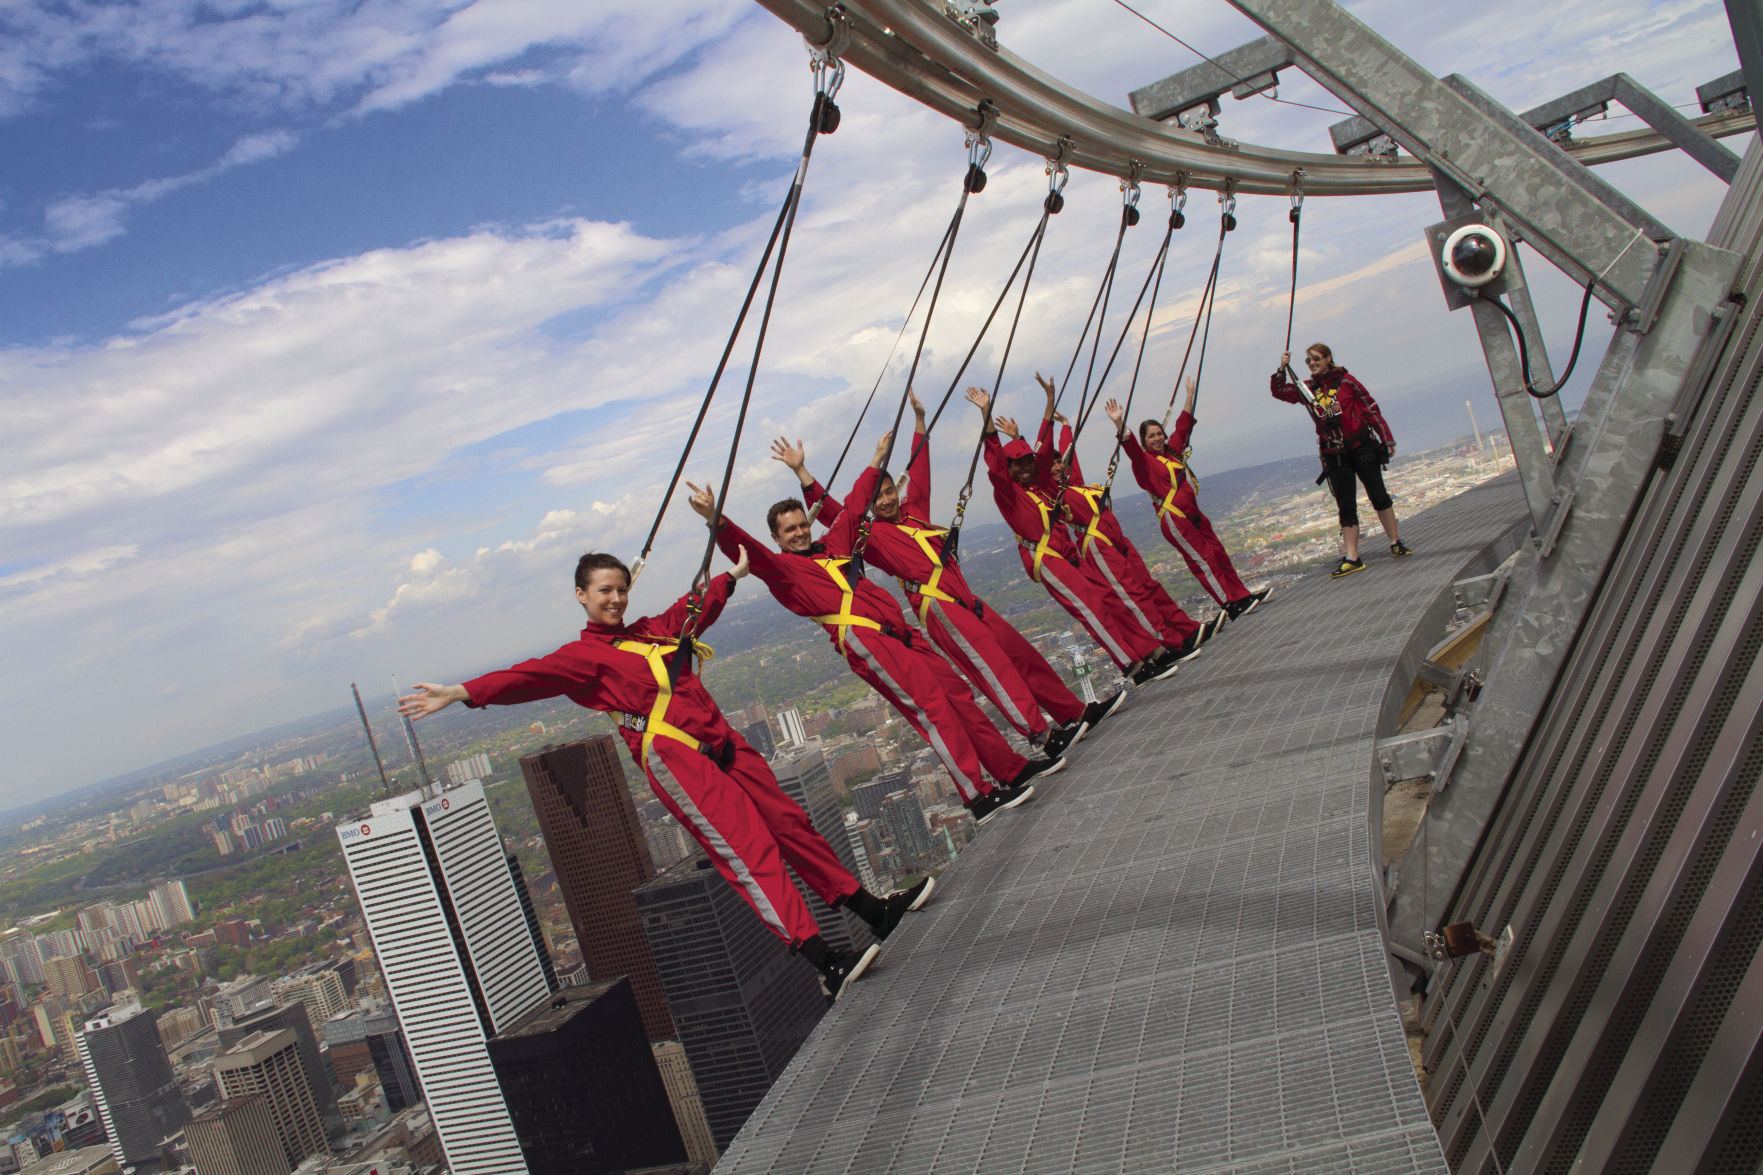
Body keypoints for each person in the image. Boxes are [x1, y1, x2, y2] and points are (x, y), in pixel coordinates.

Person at [397, 549, 929, 999]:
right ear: (581, 596)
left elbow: (693, 610)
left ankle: (869, 909)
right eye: (604, 591)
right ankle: (822, 959)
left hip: (724, 743)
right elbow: (528, 676)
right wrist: (463, 692)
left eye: (620, 590)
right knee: (748, 851)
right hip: (678, 758)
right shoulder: (584, 657)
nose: (615, 599)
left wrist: (731, 576)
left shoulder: (652, 632)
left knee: (791, 825)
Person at [687, 443, 1061, 827]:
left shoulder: (833, 546)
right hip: (866, 640)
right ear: (777, 538)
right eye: (790, 530)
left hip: (900, 633)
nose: (799, 533)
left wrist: (874, 461)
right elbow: (746, 549)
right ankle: (977, 794)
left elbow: (853, 507)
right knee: (932, 708)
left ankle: (1009, 769)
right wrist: (716, 519)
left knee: (957, 695)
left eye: (802, 525)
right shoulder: (783, 571)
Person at [773, 393, 1123, 757]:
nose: (887, 501)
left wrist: (920, 420)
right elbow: (837, 512)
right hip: (938, 605)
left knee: (1021, 655)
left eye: (890, 492)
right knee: (995, 669)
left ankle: (1073, 712)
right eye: (879, 498)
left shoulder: (916, 513)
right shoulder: (872, 535)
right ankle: (1042, 736)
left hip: (967, 601)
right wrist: (803, 473)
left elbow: (921, 467)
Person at [965, 385, 1181, 688]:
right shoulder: (1008, 493)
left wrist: (1039, 416)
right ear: (1010, 469)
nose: (1027, 468)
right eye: (1019, 464)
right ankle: (1132, 665)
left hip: (1065, 553)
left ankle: (1149, 649)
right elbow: (996, 461)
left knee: (1109, 599)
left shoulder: (1037, 487)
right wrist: (987, 413)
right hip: (1046, 557)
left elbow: (1041, 454)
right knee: (1093, 607)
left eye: (1028, 463)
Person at [1022, 375, 1207, 660]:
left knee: (1148, 586)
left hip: (1116, 540)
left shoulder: (1075, 483)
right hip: (1096, 544)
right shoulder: (1051, 490)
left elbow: (1071, 454)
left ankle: (1184, 628)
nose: (1059, 467)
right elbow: (1043, 455)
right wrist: (1047, 411)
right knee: (1134, 595)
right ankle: (1165, 641)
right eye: (1054, 464)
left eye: (1061, 463)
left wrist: (1067, 426)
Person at [1105, 377, 1266, 619]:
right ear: (1145, 441)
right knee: (1204, 560)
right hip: (1175, 518)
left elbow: (1182, 427)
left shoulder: (1172, 453)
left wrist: (1189, 395)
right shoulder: (1145, 463)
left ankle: (1240, 594)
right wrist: (1119, 423)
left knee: (1217, 553)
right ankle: (1229, 603)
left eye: (1159, 434)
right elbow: (1132, 450)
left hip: (1193, 515)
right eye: (1151, 436)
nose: (1158, 439)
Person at [1272, 344, 1411, 578]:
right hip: (1334, 454)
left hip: (1362, 447)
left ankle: (1395, 542)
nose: (1311, 363)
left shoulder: (1348, 382)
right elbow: (1280, 392)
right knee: (1346, 506)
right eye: (1308, 361)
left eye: (1316, 358)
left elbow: (1370, 409)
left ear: (1328, 359)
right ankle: (1352, 557)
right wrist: (1281, 369)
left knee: (1378, 494)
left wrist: (1386, 438)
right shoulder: (1308, 389)